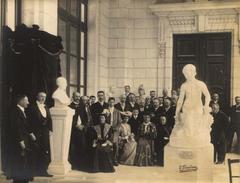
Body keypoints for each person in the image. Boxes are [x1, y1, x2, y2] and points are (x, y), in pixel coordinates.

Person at [8, 95, 36, 183]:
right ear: (20, 101)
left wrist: (31, 133)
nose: (28, 102)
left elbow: (25, 125)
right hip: (20, 141)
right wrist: (20, 141)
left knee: (24, 162)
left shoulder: (21, 111)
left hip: (25, 139)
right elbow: (15, 128)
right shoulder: (15, 112)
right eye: (26, 100)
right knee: (20, 162)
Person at [27, 92, 53, 177]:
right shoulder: (32, 108)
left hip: (45, 133)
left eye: (45, 97)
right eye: (41, 96)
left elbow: (49, 120)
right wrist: (31, 133)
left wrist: (50, 130)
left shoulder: (46, 107)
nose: (43, 98)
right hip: (36, 133)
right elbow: (28, 123)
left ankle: (43, 171)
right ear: (37, 97)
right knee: (35, 151)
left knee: (44, 151)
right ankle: (33, 172)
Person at [104, 97, 122, 166]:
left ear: (114, 103)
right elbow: (103, 119)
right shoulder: (105, 110)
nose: (111, 103)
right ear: (108, 102)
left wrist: (116, 128)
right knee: (107, 144)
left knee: (115, 145)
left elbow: (119, 121)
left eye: (112, 102)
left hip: (115, 130)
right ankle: (108, 160)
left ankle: (114, 159)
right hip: (107, 129)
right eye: (110, 102)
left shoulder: (117, 111)